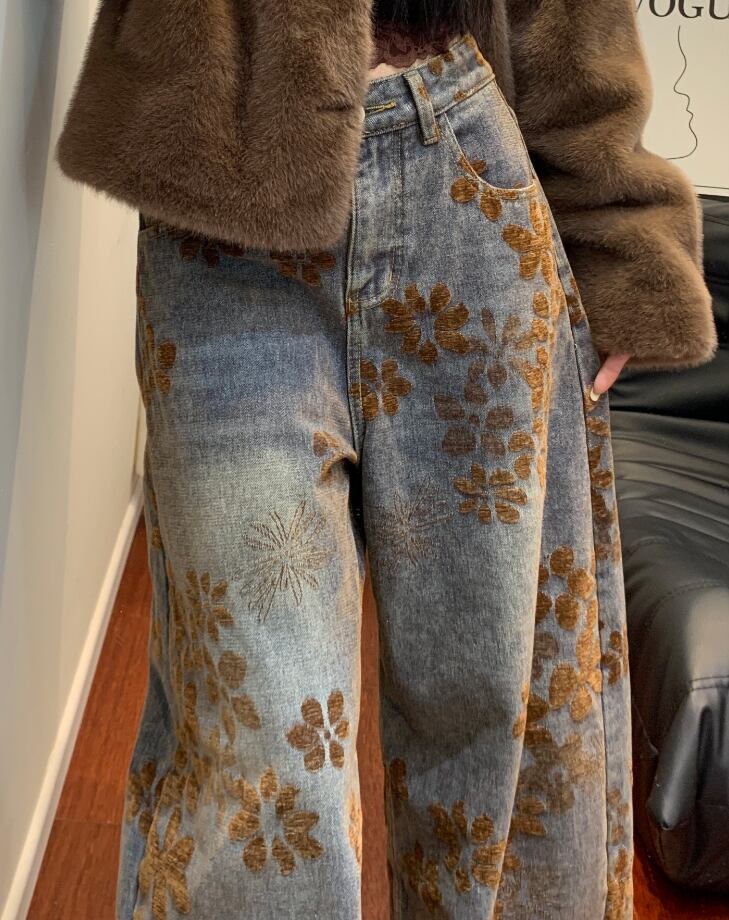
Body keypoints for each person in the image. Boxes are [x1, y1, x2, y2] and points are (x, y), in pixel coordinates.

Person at [54, 0, 717, 917]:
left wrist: (619, 229)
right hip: (222, 198)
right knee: (263, 750)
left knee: (497, 714)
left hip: (466, 173)